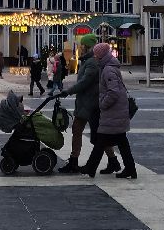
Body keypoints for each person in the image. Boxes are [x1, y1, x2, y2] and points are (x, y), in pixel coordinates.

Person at [58, 35, 119, 175]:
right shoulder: (89, 61)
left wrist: (68, 91)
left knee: (79, 131)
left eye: (82, 45)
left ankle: (74, 162)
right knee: (98, 134)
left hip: (89, 104)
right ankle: (113, 161)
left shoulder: (92, 62)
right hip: (89, 102)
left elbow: (85, 82)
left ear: (87, 46)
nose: (80, 46)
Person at [84, 42, 136, 180]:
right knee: (120, 142)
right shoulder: (109, 67)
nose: (94, 57)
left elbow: (113, 92)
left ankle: (90, 168)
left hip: (113, 112)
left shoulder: (108, 70)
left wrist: (103, 104)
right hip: (115, 112)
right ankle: (130, 169)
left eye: (96, 55)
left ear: (101, 55)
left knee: (101, 140)